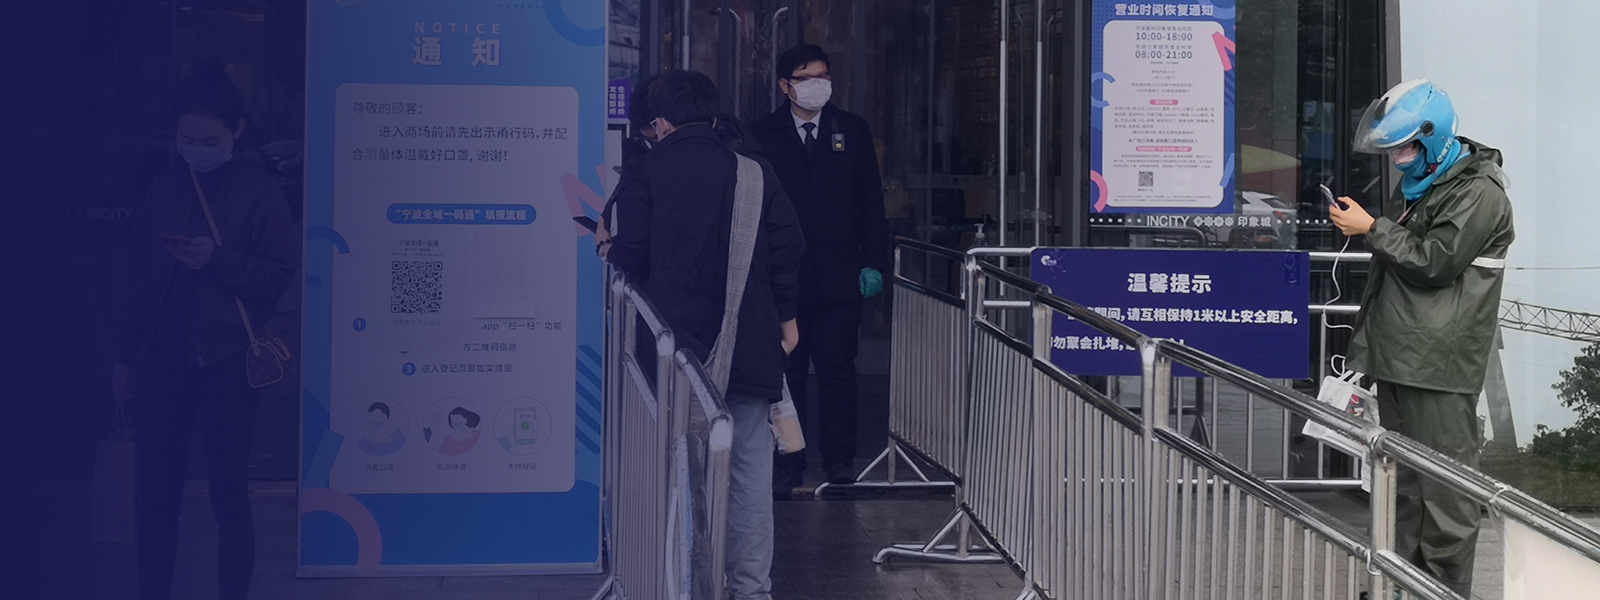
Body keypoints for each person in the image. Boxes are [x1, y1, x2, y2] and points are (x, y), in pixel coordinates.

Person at [607, 69, 806, 600]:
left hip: (674, 357)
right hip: (747, 344)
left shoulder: (645, 173)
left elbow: (633, 255)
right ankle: (751, 590)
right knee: (748, 476)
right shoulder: (753, 172)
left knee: (679, 472)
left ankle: (688, 586)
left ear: (662, 123)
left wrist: (607, 247)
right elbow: (788, 246)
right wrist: (786, 318)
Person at [109, 68, 298, 600]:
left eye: (210, 141)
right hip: (161, 359)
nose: (196, 150)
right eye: (186, 139)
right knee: (155, 498)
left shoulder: (259, 192)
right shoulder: (164, 187)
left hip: (227, 361)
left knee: (229, 500)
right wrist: (124, 354)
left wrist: (216, 259)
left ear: (237, 131)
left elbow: (277, 276)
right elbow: (136, 276)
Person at [1329, 79, 1514, 598]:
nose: (1398, 158)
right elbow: (1403, 254)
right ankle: (1403, 585)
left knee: (1447, 490)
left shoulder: (1479, 191)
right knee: (1406, 483)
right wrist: (1369, 228)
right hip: (1400, 353)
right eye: (1393, 149)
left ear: (1433, 137)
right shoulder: (1425, 180)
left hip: (1438, 363)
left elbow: (1436, 262)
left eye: (1406, 147)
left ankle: (1442, 592)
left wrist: (1371, 228)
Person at [751, 44, 889, 492]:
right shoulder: (762, 134)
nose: (817, 86)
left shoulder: (851, 129)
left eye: (823, 77)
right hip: (783, 278)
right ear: (785, 85)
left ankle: (839, 461)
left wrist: (872, 262)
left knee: (838, 370)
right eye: (806, 78)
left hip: (839, 275)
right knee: (787, 373)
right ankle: (788, 461)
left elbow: (871, 205)